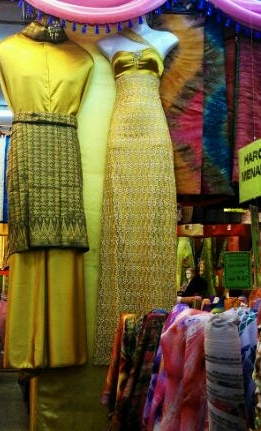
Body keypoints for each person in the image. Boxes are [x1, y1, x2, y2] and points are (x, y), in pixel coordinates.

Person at [0, 13, 92, 369]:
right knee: (28, 247)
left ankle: (65, 346)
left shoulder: (83, 58)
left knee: (66, 245)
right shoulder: (6, 50)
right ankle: (27, 348)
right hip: (29, 145)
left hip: (64, 144)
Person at [93, 16, 180, 365]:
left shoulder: (166, 39)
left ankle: (157, 338)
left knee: (155, 224)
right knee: (119, 226)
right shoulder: (107, 42)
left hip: (154, 133)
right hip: (121, 134)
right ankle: (119, 340)